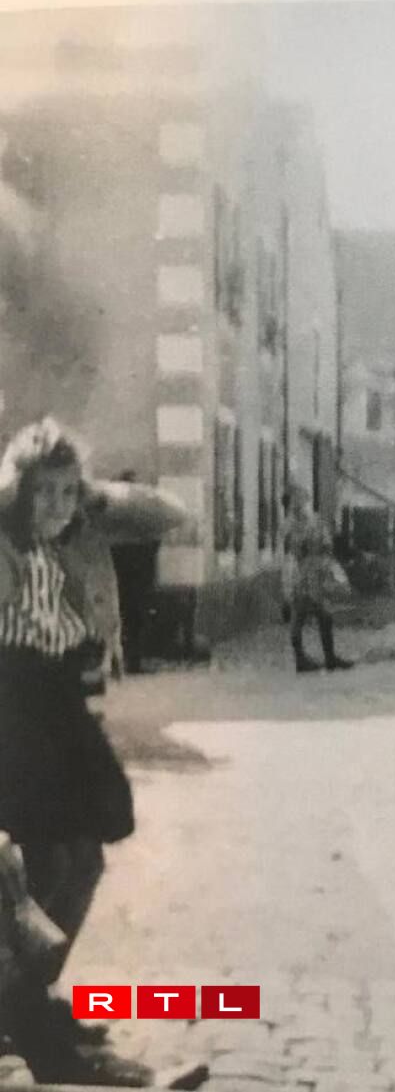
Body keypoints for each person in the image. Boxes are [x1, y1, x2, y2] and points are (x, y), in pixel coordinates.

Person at [0, 418, 205, 1088]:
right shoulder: (5, 553)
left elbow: (167, 513)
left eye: (68, 492)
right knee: (44, 866)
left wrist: (89, 501)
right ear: (17, 492)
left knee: (82, 859)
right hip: (19, 717)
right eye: (44, 492)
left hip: (56, 714)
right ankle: (28, 1014)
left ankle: (28, 999)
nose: (58, 505)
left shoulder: (60, 548)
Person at [283, 491, 353, 673]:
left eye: (303, 501)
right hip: (304, 574)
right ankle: (303, 660)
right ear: (292, 504)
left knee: (322, 615)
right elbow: (298, 550)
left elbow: (326, 544)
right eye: (298, 502)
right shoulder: (295, 525)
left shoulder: (307, 522)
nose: (302, 505)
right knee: (301, 615)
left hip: (313, 573)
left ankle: (328, 657)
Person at [109, 470, 159, 675]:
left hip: (119, 577)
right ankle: (132, 661)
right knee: (134, 620)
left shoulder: (112, 519)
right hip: (136, 578)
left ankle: (119, 661)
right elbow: (153, 544)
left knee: (119, 619)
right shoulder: (141, 518)